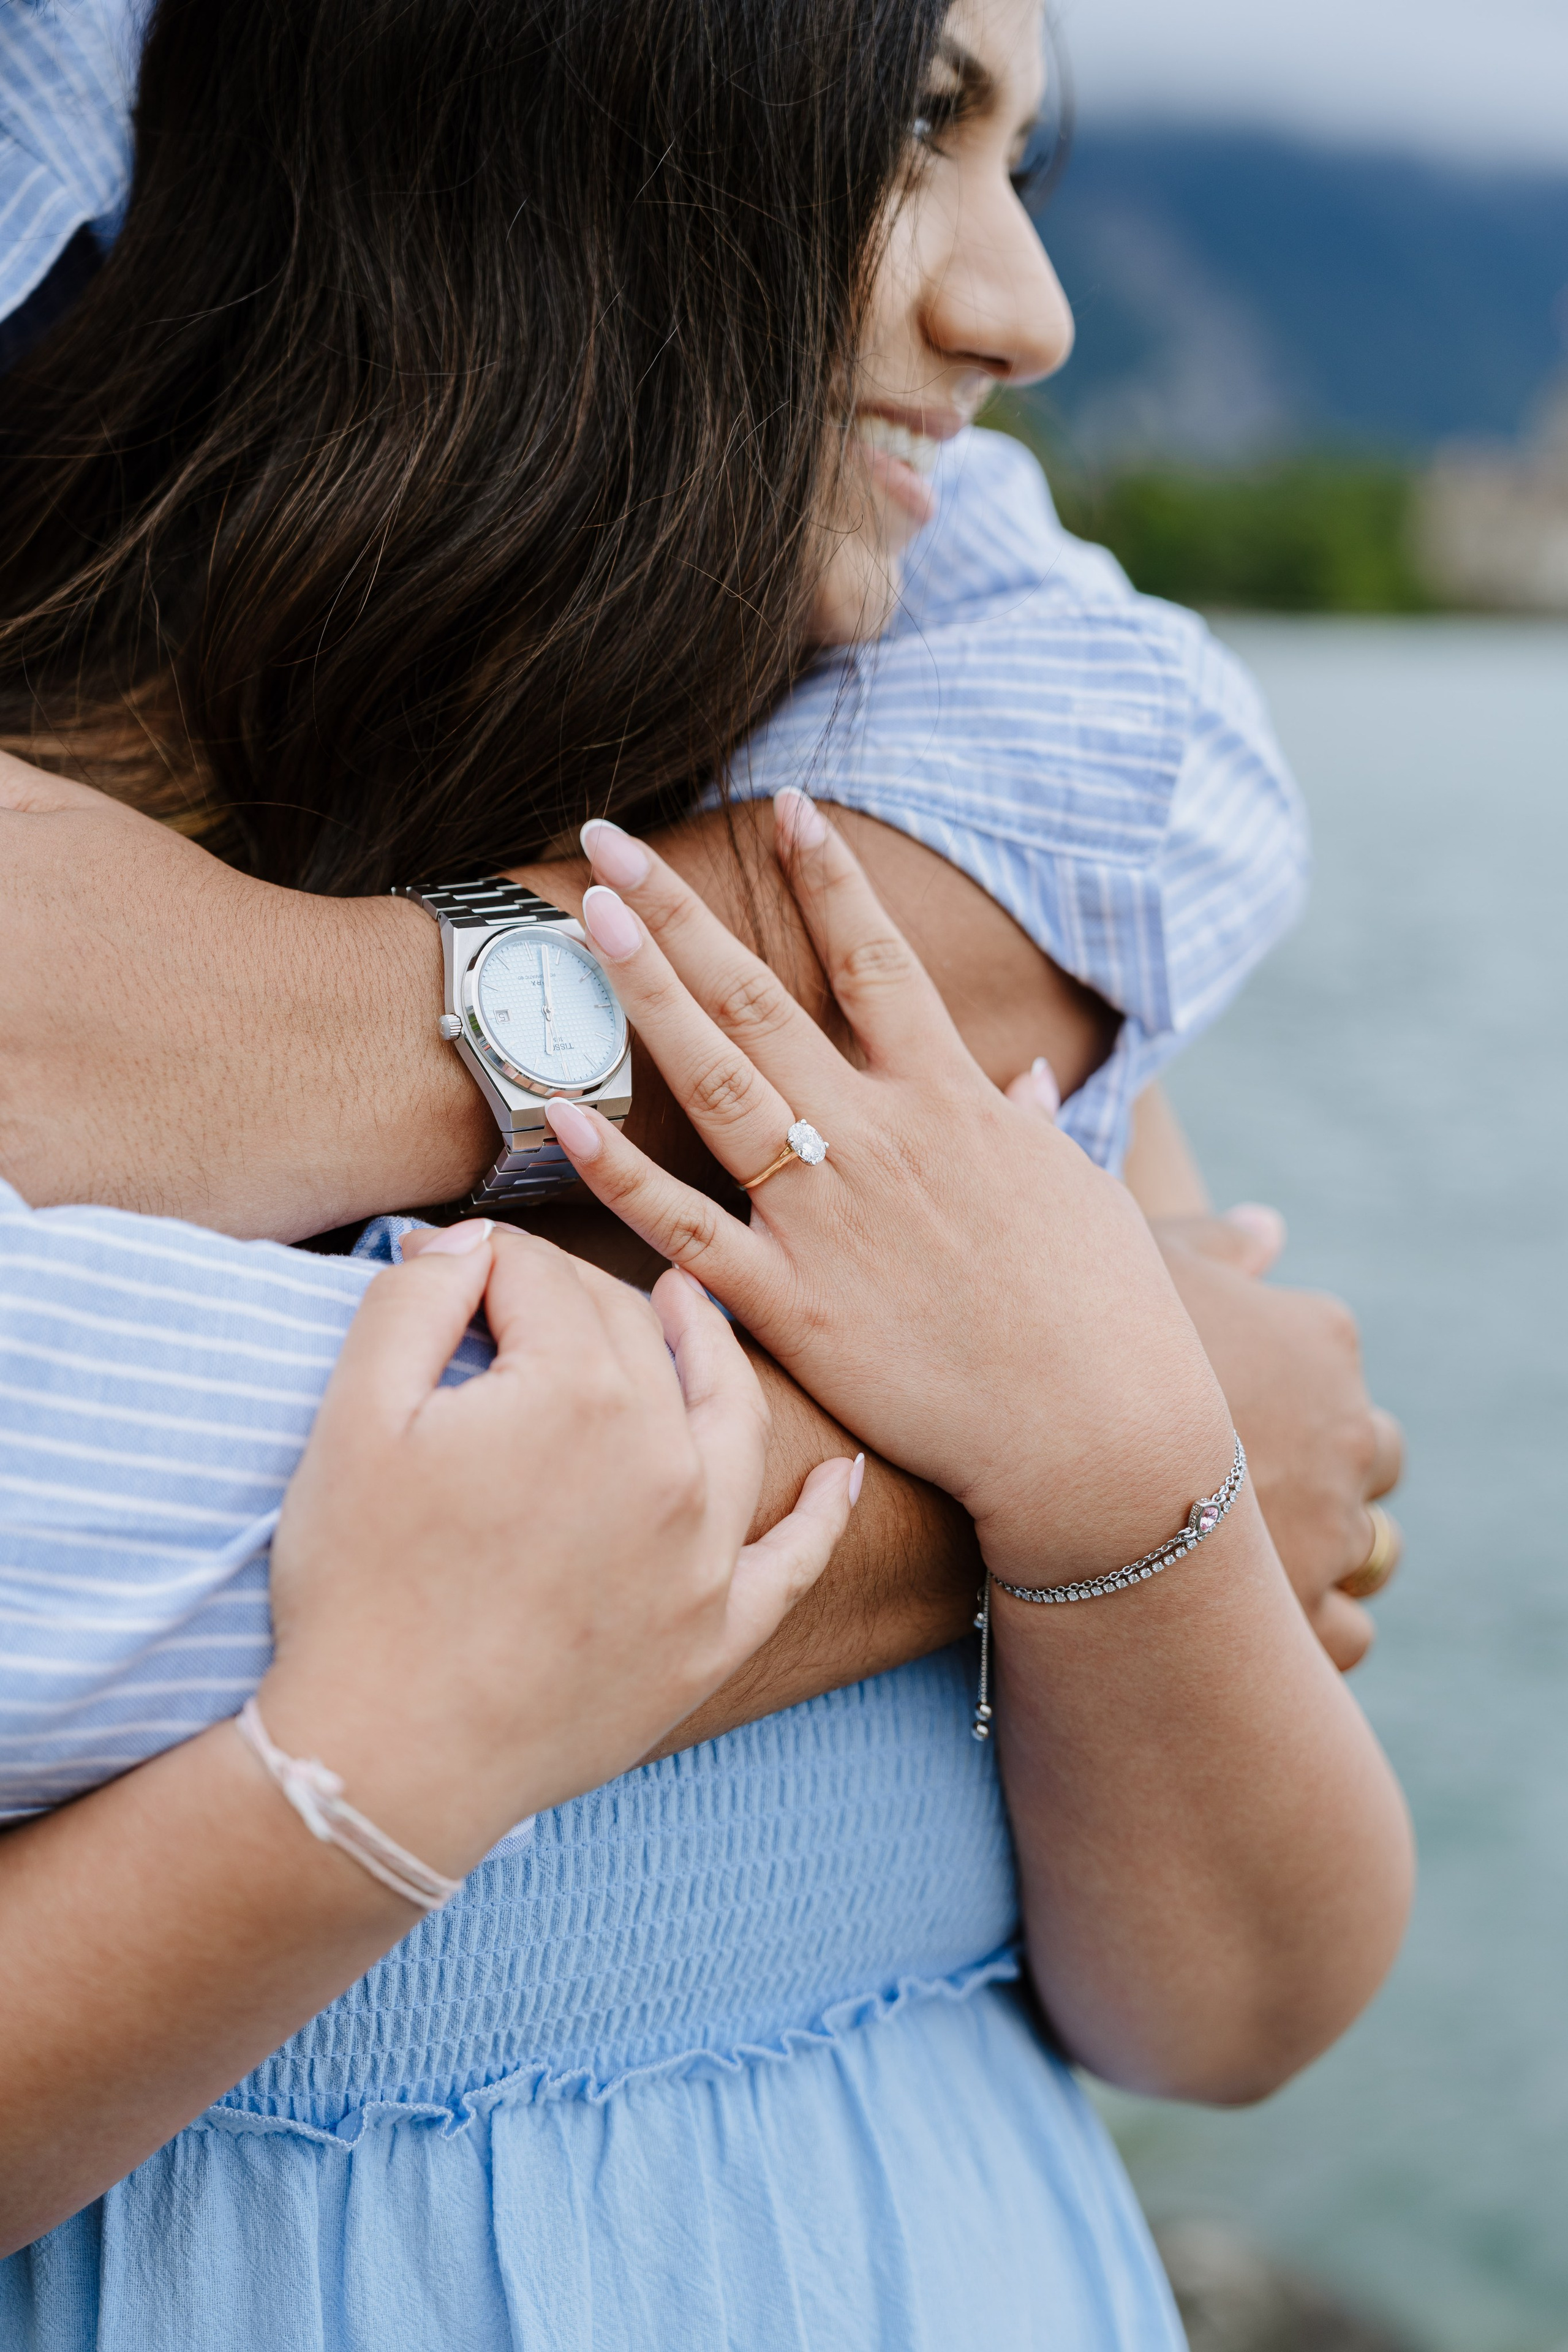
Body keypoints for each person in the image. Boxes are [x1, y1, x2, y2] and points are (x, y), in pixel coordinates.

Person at [0, 0, 1409, 2342]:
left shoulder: (897, 945)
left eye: (1021, 170)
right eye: (909, 134)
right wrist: (386, 1756)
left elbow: (1240, 2005)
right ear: (542, 119)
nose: (1029, 312)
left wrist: (1128, 1483)